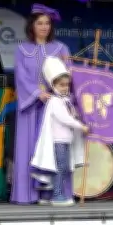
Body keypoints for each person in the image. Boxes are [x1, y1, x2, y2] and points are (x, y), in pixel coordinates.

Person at [11, 4, 70, 205]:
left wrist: (55, 93)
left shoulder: (61, 49)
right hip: (31, 108)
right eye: (40, 23)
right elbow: (20, 76)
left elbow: (68, 76)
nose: (44, 27)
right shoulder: (22, 49)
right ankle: (28, 195)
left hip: (53, 108)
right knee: (30, 148)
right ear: (32, 25)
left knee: (54, 151)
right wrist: (37, 93)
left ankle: (53, 194)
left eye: (47, 23)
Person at [30, 57, 89, 206]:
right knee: (60, 169)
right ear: (54, 85)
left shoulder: (66, 101)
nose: (65, 88)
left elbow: (70, 115)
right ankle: (57, 195)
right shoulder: (56, 101)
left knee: (60, 168)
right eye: (61, 85)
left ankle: (48, 195)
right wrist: (81, 126)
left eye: (67, 85)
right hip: (59, 142)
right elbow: (65, 119)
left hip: (65, 141)